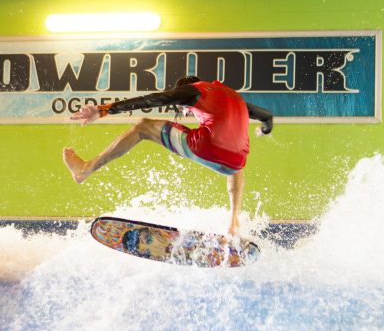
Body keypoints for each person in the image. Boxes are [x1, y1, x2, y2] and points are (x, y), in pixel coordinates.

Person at [63, 76, 273, 236]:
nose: (185, 111)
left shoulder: (195, 90)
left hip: (207, 148)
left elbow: (154, 99)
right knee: (236, 166)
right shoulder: (233, 97)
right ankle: (234, 222)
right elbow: (267, 116)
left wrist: (105, 110)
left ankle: (85, 169)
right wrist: (264, 130)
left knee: (142, 126)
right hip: (236, 159)